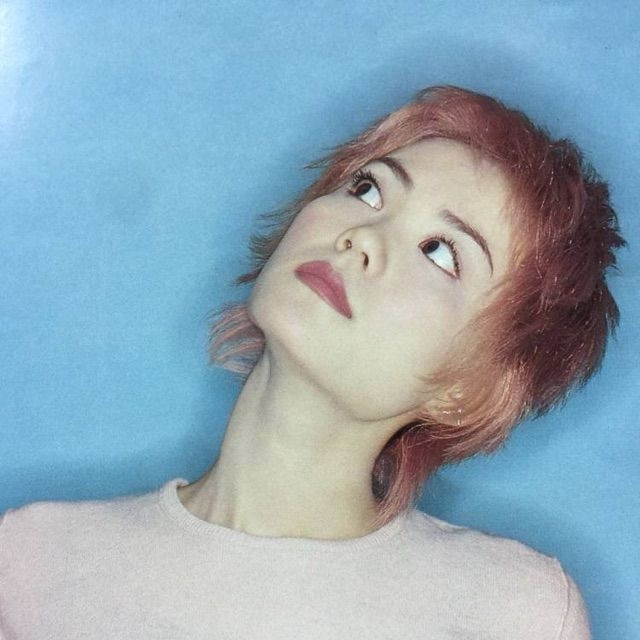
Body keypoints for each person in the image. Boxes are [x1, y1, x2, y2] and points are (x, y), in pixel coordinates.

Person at [0, 86, 624, 639]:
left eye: (440, 252)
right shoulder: (31, 560)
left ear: (471, 389)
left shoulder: (518, 611)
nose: (362, 237)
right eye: (368, 189)